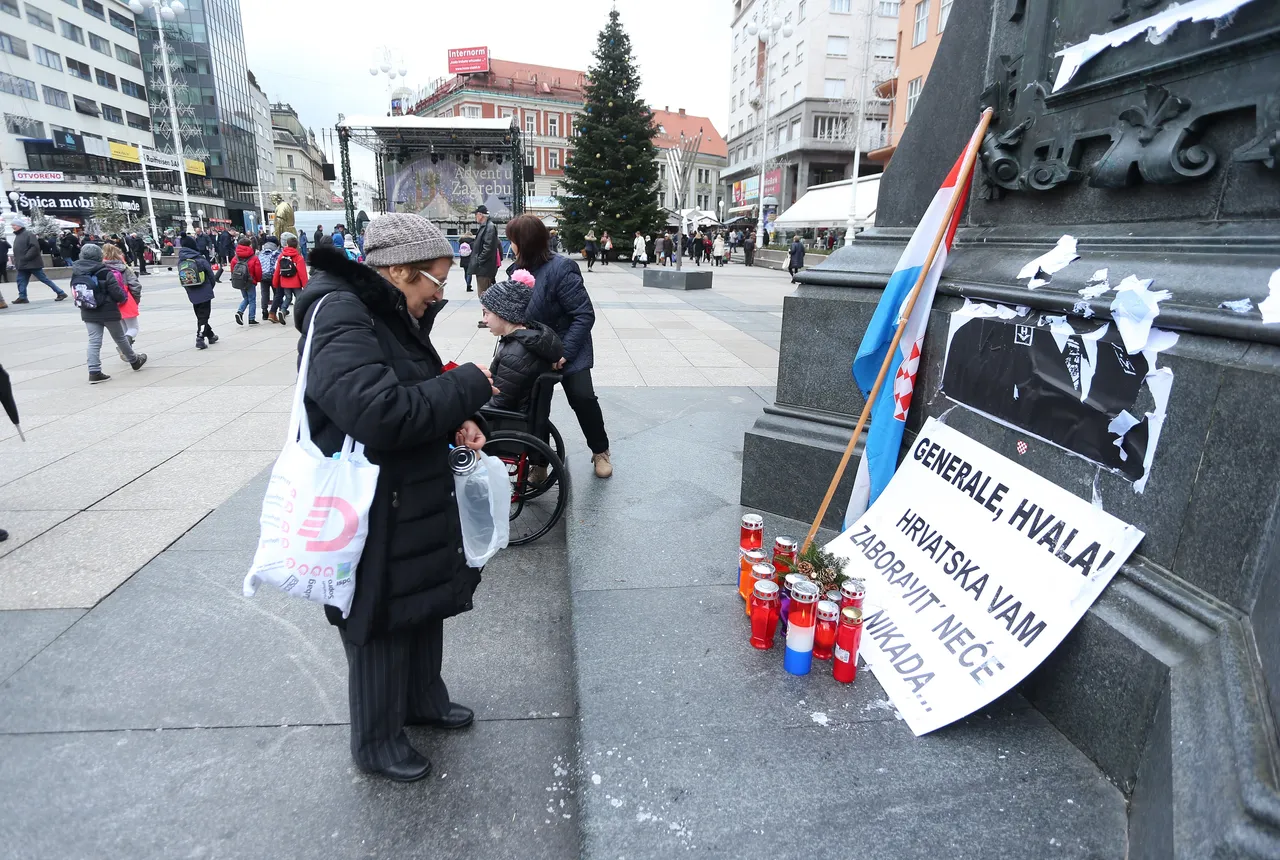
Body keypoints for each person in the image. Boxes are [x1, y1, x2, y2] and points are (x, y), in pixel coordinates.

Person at [292, 213, 496, 783]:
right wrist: (469, 384)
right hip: (372, 506)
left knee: (420, 603)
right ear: (401, 271)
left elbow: (409, 385)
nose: (440, 295)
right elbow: (380, 413)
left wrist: (461, 415)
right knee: (380, 617)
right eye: (436, 280)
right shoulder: (341, 314)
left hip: (408, 491)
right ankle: (376, 741)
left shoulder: (388, 311)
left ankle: (422, 700)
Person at [505, 214, 613, 479]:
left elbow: (584, 314)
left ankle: (600, 451)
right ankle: (539, 461)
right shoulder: (515, 271)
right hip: (535, 349)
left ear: (525, 241)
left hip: (569, 346)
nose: (511, 246)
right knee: (535, 405)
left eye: (513, 240)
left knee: (583, 398)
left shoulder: (562, 268)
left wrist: (563, 352)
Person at [480, 273, 563, 413]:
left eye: (486, 313)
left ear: (503, 313)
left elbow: (499, 403)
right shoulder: (527, 338)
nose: (484, 320)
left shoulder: (515, 354)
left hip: (506, 421)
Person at [74, 243, 147, 382]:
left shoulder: (77, 271)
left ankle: (94, 371)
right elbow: (117, 294)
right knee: (120, 337)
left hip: (88, 310)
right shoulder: (104, 272)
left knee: (94, 341)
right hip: (108, 311)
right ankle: (134, 361)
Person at [12, 219, 68, 304]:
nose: (13, 227)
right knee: (21, 280)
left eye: (14, 225)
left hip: (31, 263)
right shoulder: (19, 236)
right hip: (23, 264)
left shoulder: (28, 234)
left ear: (20, 226)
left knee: (44, 279)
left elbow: (34, 247)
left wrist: (26, 257)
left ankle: (60, 292)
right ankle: (22, 296)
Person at [178, 234, 219, 349]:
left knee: (200, 315)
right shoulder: (200, 259)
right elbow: (211, 276)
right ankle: (199, 337)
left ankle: (210, 335)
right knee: (203, 316)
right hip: (204, 290)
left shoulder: (181, 261)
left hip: (191, 292)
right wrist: (209, 288)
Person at [100, 244, 142, 344]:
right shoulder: (123, 268)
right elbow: (135, 286)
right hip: (126, 300)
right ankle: (126, 346)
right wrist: (136, 300)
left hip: (111, 302)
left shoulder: (101, 269)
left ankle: (127, 352)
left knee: (123, 329)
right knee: (133, 328)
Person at [468, 205, 500, 325]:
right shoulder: (486, 227)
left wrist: (479, 261)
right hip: (484, 267)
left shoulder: (489, 227)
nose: (475, 217)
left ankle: (488, 319)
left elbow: (488, 248)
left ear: (480, 215)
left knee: (484, 293)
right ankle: (488, 317)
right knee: (485, 293)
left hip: (485, 267)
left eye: (476, 214)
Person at [270, 232, 308, 324]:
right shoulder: (298, 258)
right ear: (296, 245)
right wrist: (306, 285)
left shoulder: (281, 256)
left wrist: (275, 282)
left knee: (288, 298)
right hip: (296, 283)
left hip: (284, 282)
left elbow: (277, 271)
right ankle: (301, 315)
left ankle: (282, 311)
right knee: (299, 299)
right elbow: (302, 273)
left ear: (287, 244)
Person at [231, 235, 263, 325]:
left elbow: (233, 269)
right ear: (249, 245)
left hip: (240, 280)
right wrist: (258, 279)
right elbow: (258, 271)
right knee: (252, 299)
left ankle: (240, 312)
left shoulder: (235, 258)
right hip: (250, 281)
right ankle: (251, 318)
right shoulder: (253, 257)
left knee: (246, 298)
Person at [257, 235, 282, 324]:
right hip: (273, 275)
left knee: (264, 293)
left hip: (263, 276)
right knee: (277, 293)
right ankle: (278, 310)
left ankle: (264, 312)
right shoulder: (277, 252)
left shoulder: (261, 252)